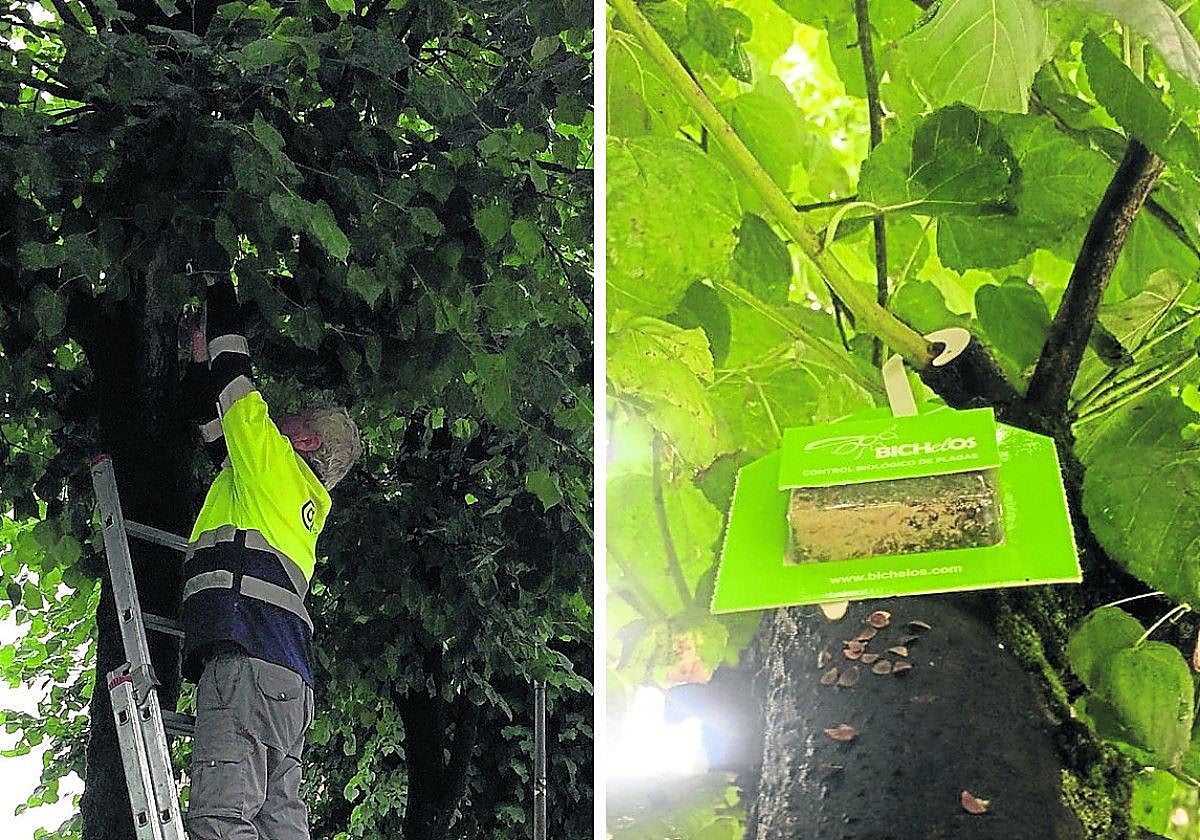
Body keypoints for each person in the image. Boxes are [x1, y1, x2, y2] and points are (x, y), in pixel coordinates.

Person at [179, 276, 361, 839]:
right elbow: (216, 426)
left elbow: (235, 385)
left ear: (306, 442)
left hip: (247, 662)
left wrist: (219, 283)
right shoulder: (283, 491)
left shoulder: (276, 465)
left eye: (296, 420)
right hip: (285, 683)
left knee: (221, 818)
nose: (281, 420)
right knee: (278, 823)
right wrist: (198, 361)